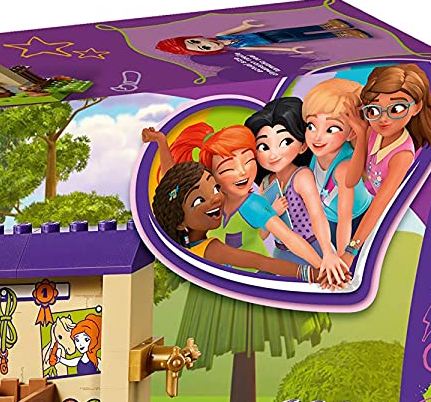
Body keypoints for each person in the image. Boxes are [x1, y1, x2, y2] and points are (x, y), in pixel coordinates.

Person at [143, 128, 333, 283]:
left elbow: (288, 238)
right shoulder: (213, 204)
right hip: (228, 281)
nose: (242, 172)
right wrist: (161, 143)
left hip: (257, 277)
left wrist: (322, 268)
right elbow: (175, 188)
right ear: (212, 175)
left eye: (249, 161)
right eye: (227, 169)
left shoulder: (253, 205)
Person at [245, 96, 348, 282]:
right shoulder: (265, 184)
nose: (273, 154)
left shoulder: (301, 176)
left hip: (313, 248)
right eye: (263, 146)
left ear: (302, 146)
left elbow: (317, 215)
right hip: (282, 253)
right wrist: (271, 213)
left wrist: (327, 252)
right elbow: (262, 234)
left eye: (285, 142)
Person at [347, 65, 431, 260]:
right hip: (365, 204)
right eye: (374, 109)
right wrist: (361, 134)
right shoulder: (373, 131)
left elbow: (381, 204)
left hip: (389, 218)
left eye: (396, 109)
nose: (384, 118)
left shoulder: (402, 156)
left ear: (416, 107)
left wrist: (351, 249)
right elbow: (352, 179)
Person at [301, 79, 374, 261]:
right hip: (329, 220)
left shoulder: (344, 168)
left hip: (356, 224)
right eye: (311, 125)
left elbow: (345, 221)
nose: (317, 136)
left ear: (352, 133)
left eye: (331, 129)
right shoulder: (317, 153)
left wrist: (342, 261)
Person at [157, 17, 368, 56]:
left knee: (298, 29)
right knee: (300, 38)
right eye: (202, 48)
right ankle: (341, 33)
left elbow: (238, 28)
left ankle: (327, 25)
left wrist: (246, 25)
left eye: (196, 41)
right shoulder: (236, 48)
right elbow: (261, 49)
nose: (205, 44)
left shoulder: (221, 36)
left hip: (265, 33)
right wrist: (291, 49)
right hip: (272, 40)